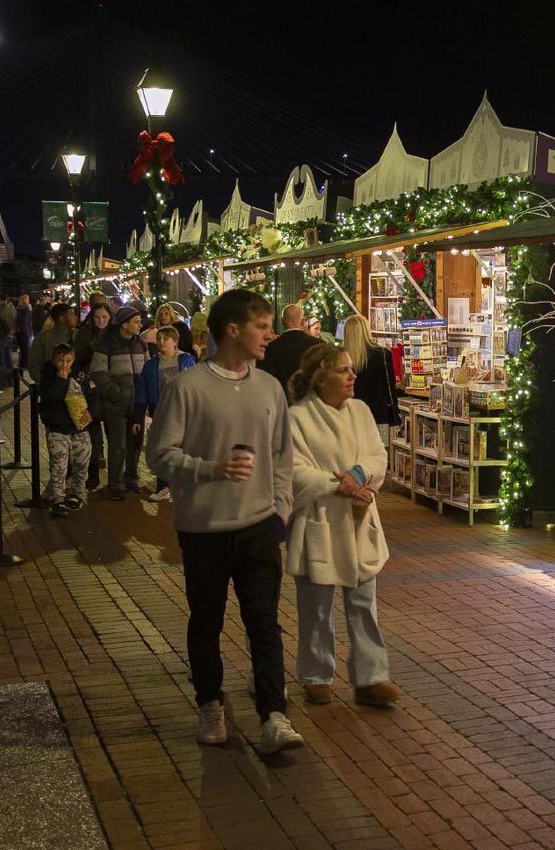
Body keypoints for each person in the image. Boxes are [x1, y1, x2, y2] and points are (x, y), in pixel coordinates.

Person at [147, 288, 302, 754]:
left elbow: (283, 455)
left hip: (259, 525)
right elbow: (159, 454)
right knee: (206, 620)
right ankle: (209, 702)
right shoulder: (187, 389)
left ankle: (273, 715)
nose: (269, 336)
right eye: (261, 326)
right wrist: (208, 470)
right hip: (204, 529)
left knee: (264, 621)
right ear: (232, 330)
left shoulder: (269, 387)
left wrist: (280, 509)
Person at [284, 342, 401, 709]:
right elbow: (294, 471)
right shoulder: (298, 419)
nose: (352, 376)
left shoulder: (362, 411)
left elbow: (377, 454)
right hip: (318, 519)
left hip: (359, 517)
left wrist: (359, 474)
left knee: (364, 603)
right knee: (316, 605)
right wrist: (337, 485)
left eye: (351, 369)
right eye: (343, 370)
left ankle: (371, 677)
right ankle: (317, 674)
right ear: (320, 377)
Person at [92, 305, 149, 500]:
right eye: (136, 321)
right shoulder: (106, 344)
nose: (140, 325)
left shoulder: (140, 344)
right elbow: (98, 372)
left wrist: (144, 394)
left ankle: (131, 479)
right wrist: (116, 393)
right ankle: (115, 484)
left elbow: (147, 370)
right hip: (115, 404)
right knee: (118, 444)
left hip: (137, 404)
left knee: (135, 443)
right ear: (124, 324)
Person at [136, 325, 197, 503]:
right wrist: (138, 414)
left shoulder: (186, 360)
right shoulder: (151, 365)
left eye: (166, 338)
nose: (161, 341)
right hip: (161, 412)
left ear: (175, 342)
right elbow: (143, 390)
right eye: (159, 338)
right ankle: (163, 486)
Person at [38, 342, 98, 515]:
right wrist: (60, 380)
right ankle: (57, 498)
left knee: (81, 463)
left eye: (68, 360)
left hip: (80, 428)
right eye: (60, 360)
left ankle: (78, 494)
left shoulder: (82, 375)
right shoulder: (48, 376)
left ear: (73, 360)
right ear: (54, 360)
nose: (64, 365)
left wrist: (92, 413)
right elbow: (50, 399)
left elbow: (94, 396)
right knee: (59, 465)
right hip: (58, 428)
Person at [339, 314, 401, 453]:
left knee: (351, 459)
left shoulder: (339, 356)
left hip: (348, 416)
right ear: (366, 330)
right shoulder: (383, 354)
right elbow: (389, 388)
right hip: (378, 415)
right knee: (378, 458)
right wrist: (394, 413)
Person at [74, 303, 111, 490]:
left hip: (110, 389)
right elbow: (77, 361)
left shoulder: (114, 334)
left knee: (115, 437)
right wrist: (89, 349)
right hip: (90, 388)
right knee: (93, 435)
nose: (101, 321)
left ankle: (115, 479)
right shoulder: (84, 334)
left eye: (104, 317)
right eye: (97, 317)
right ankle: (93, 475)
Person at [260, 302, 319, 389]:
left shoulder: (271, 348)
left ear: (282, 321)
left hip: (281, 398)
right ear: (303, 322)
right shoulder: (318, 345)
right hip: (309, 397)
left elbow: (266, 380)